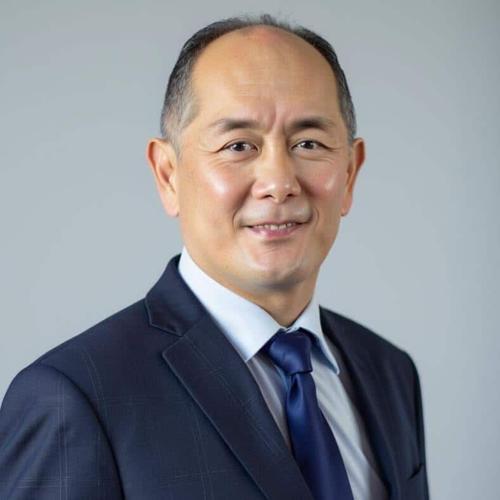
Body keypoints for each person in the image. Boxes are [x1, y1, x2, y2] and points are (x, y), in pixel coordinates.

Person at [0, 14, 429, 500]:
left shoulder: (389, 372)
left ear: (349, 173)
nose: (279, 183)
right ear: (168, 175)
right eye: (238, 145)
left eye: (308, 143)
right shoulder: (75, 398)